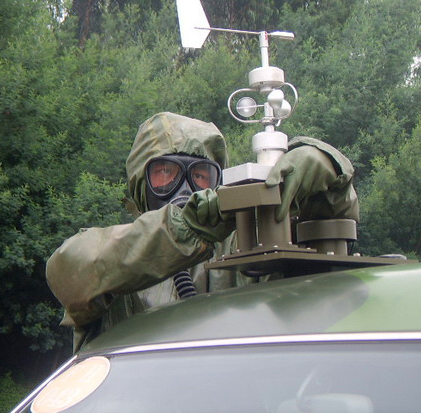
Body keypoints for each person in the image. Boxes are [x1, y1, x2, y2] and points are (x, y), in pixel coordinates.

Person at [46, 112, 359, 351]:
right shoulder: (114, 256)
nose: (185, 189)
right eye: (165, 173)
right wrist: (185, 228)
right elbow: (68, 272)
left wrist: (330, 176)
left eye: (200, 176)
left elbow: (325, 253)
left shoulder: (246, 250)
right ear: (141, 184)